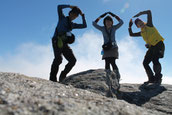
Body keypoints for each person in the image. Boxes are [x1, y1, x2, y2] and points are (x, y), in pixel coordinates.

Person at [49, 4, 87, 82]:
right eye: (73, 14)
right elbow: (59, 7)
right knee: (58, 59)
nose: (74, 16)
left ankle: (63, 75)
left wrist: (82, 16)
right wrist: (70, 6)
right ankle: (52, 79)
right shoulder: (62, 18)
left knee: (73, 60)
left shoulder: (72, 25)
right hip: (56, 40)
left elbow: (84, 26)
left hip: (64, 43)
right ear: (70, 13)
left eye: (76, 16)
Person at [128, 10, 165, 84]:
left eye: (140, 22)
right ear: (138, 26)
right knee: (145, 63)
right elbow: (131, 34)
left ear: (143, 21)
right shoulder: (142, 33)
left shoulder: (149, 25)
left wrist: (140, 13)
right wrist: (130, 26)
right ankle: (151, 78)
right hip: (152, 47)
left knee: (155, 59)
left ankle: (158, 77)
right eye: (138, 24)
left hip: (159, 44)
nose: (140, 23)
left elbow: (149, 12)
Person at [92, 12, 123, 80]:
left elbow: (121, 22)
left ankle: (117, 77)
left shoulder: (114, 28)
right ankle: (108, 78)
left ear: (112, 22)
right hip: (106, 48)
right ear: (104, 23)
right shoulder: (102, 28)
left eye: (109, 21)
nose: (108, 23)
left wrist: (114, 15)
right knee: (107, 62)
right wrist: (101, 16)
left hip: (113, 47)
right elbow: (94, 23)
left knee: (112, 61)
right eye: (106, 21)